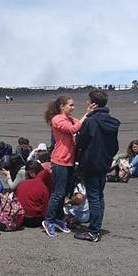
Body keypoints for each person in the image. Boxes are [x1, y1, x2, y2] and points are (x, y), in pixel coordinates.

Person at [42, 96, 92, 237]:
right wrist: (86, 114)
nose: (73, 107)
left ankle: (58, 218)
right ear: (61, 106)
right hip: (59, 160)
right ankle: (49, 220)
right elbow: (73, 129)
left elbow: (82, 124)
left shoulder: (70, 119)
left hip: (69, 161)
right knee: (57, 193)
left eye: (73, 105)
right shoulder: (57, 119)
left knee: (64, 193)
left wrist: (90, 113)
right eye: (70, 105)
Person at [74, 89, 120, 242]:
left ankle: (93, 231)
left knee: (93, 196)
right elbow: (115, 146)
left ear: (93, 103)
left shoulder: (91, 121)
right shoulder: (111, 122)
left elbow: (81, 142)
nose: (87, 103)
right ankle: (96, 226)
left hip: (91, 163)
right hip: (104, 163)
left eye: (88, 101)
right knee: (99, 195)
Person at [15, 161, 50, 228]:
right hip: (36, 220)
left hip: (22, 218)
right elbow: (45, 207)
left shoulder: (22, 184)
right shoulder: (43, 187)